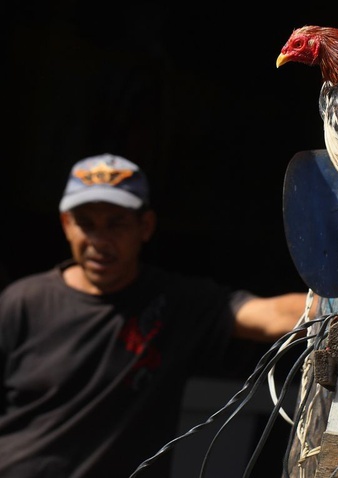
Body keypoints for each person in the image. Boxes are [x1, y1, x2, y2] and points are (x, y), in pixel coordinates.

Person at [0, 154, 311, 477]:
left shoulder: (173, 303)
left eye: (116, 223)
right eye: (86, 224)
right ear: (66, 225)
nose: (99, 241)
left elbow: (269, 315)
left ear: (144, 226)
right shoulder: (22, 303)